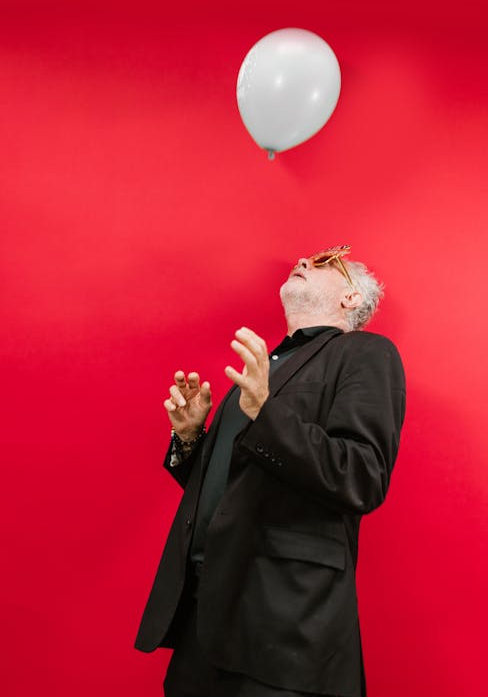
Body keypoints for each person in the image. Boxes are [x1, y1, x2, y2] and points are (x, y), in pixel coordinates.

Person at [134, 245, 406, 697]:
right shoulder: (266, 370)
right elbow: (238, 485)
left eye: (325, 262)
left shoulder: (364, 353)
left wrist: (265, 411)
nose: (302, 261)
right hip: (204, 620)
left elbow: (362, 476)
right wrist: (190, 441)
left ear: (351, 298)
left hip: (285, 625)